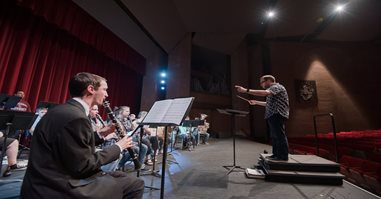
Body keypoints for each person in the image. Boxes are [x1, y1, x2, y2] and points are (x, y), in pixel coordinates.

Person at [21, 72, 144, 198]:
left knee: (122, 177)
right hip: (56, 186)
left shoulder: (64, 110)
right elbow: (83, 166)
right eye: (104, 89)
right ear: (91, 89)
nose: (106, 94)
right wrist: (118, 147)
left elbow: (71, 144)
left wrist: (100, 134)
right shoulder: (76, 117)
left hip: (45, 178)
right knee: (135, 184)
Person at [236, 75, 290, 161]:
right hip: (272, 114)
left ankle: (283, 156)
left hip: (278, 114)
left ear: (269, 80)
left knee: (279, 135)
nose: (261, 85)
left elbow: (264, 93)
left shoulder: (277, 86)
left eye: (262, 82)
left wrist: (246, 90)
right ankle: (276, 154)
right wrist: (256, 102)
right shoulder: (272, 90)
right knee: (274, 136)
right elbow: (267, 104)